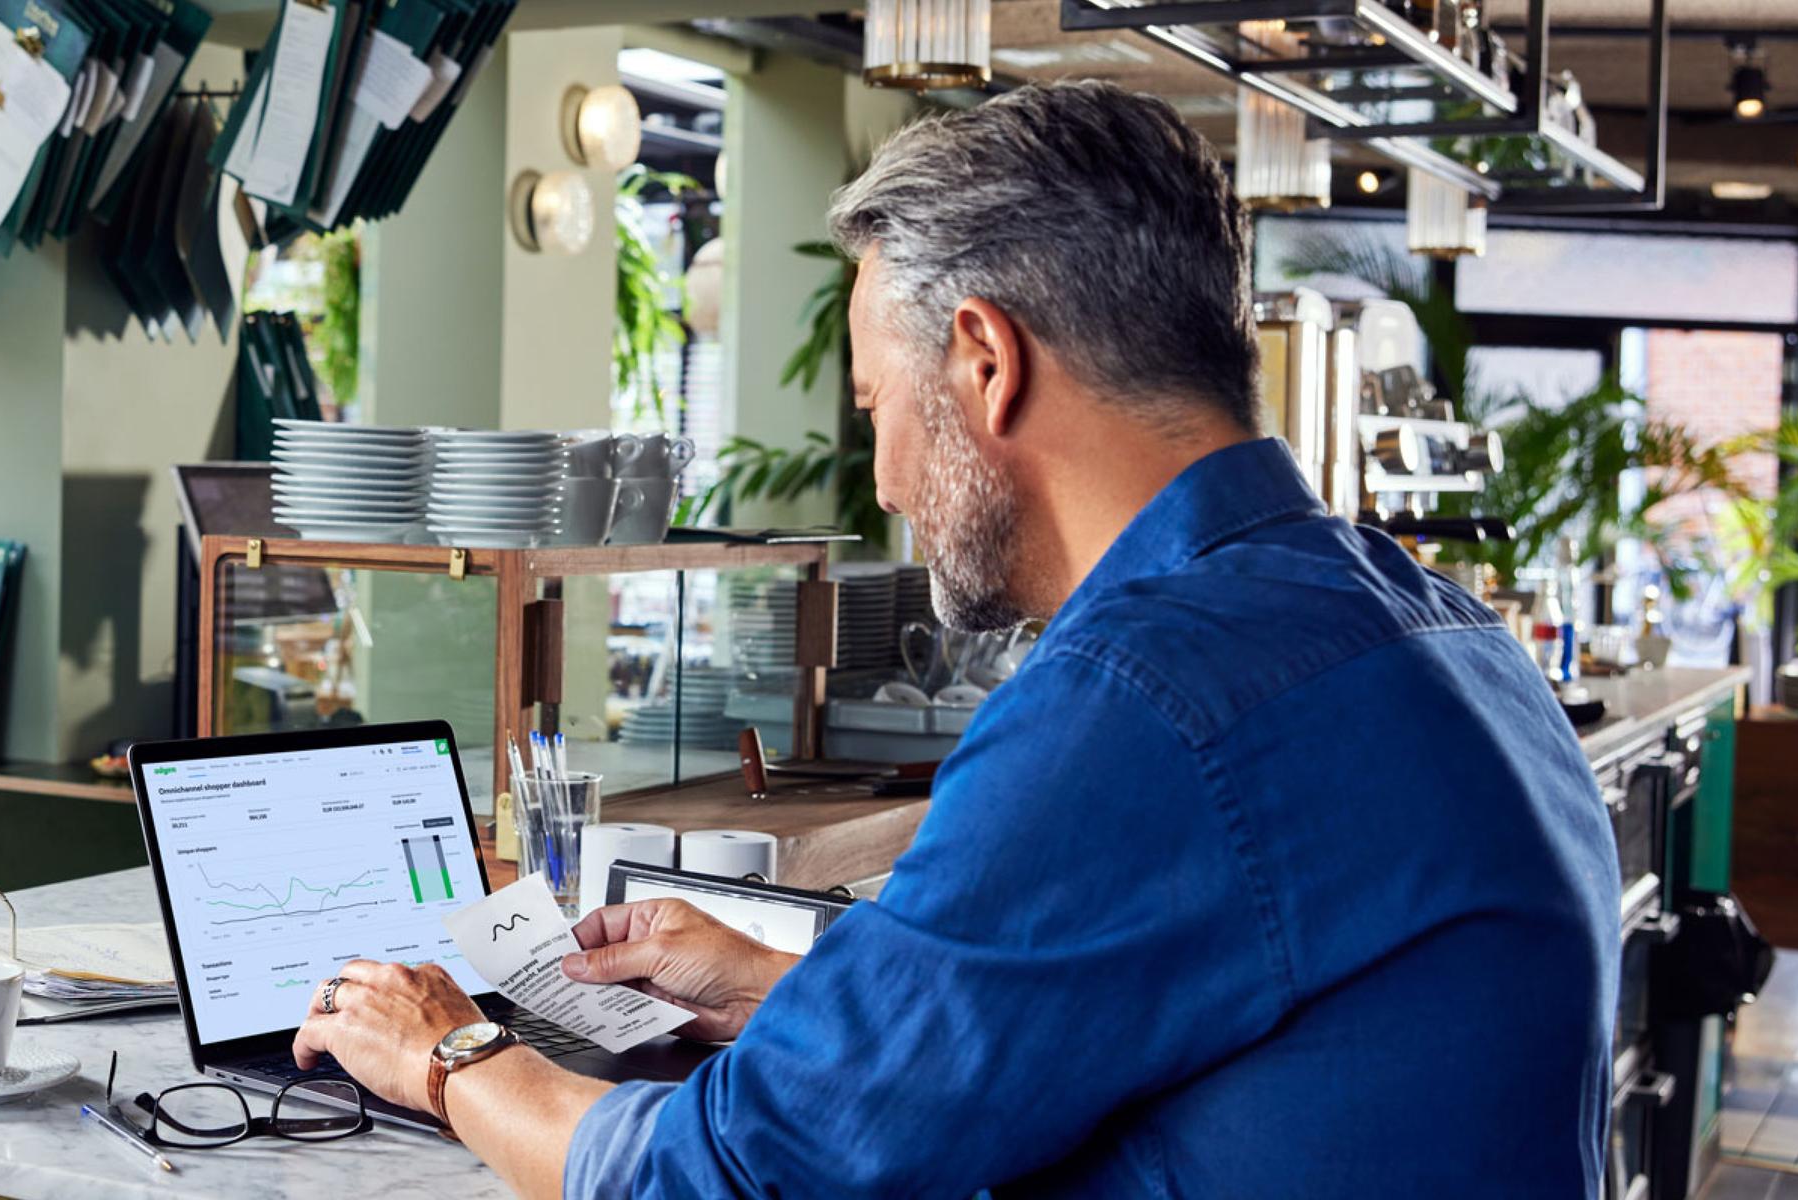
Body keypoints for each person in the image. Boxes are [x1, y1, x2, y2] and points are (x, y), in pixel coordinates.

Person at [291, 81, 1618, 1198]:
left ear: (986, 361)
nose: (879, 477)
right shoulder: (1433, 626)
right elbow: (1094, 1010)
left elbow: (739, 1173)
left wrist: (451, 1056)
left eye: (877, 404)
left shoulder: (1145, 699)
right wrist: (764, 986)